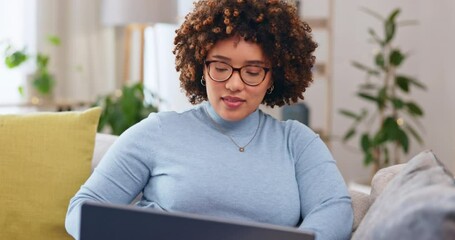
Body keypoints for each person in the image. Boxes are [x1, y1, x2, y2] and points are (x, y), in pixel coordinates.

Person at [65, 0, 353, 239]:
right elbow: (81, 210)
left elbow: (334, 208)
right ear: (200, 68)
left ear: (273, 78)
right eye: (220, 67)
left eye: (252, 72)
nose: (234, 84)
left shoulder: (297, 142)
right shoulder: (158, 132)